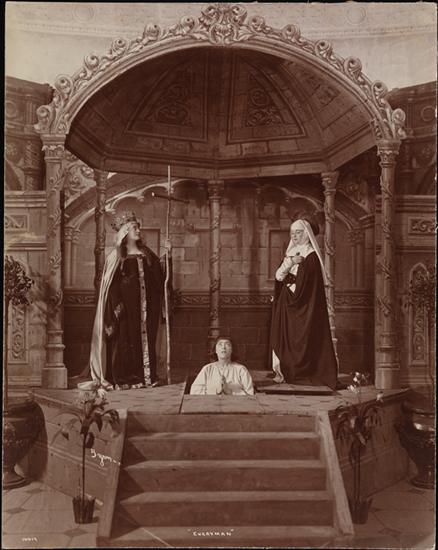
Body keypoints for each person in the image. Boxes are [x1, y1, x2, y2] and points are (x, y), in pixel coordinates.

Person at [80, 211, 168, 391]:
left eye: (138, 227)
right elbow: (111, 285)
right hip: (125, 308)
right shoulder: (117, 256)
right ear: (125, 231)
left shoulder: (147, 253)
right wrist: (118, 307)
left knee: (145, 341)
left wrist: (168, 256)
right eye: (135, 227)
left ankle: (145, 377)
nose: (138, 230)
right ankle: (123, 378)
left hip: (146, 308)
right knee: (124, 342)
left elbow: (159, 277)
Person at [270, 218, 338, 390]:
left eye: (298, 232)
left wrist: (293, 288)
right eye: (292, 233)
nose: (294, 236)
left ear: (307, 234)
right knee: (285, 336)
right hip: (287, 304)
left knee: (302, 338)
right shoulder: (291, 253)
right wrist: (291, 262)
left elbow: (308, 286)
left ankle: (302, 372)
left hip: (304, 307)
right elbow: (278, 276)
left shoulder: (311, 256)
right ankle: (286, 371)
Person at [190, 337, 255, 395]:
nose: (223, 347)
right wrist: (216, 391)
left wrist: (229, 391)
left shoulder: (241, 370)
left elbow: (250, 395)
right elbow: (194, 392)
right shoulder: (207, 369)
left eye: (227, 344)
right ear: (215, 350)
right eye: (220, 344)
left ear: (232, 350)